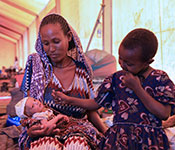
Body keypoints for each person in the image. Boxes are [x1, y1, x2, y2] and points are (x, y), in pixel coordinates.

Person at [53, 28, 175, 149]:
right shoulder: (116, 79)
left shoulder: (160, 79)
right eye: (120, 58)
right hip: (119, 141)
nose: (122, 64)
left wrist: (137, 88)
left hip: (148, 143)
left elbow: (164, 113)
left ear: (148, 62)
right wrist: (68, 100)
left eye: (130, 63)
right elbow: (95, 103)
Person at [19, 13, 107, 150]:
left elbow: (91, 111)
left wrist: (106, 132)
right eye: (46, 43)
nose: (51, 49)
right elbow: (26, 108)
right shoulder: (36, 67)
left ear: (69, 37)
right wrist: (32, 130)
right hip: (43, 129)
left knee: (77, 146)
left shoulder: (82, 72)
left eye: (56, 41)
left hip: (78, 129)